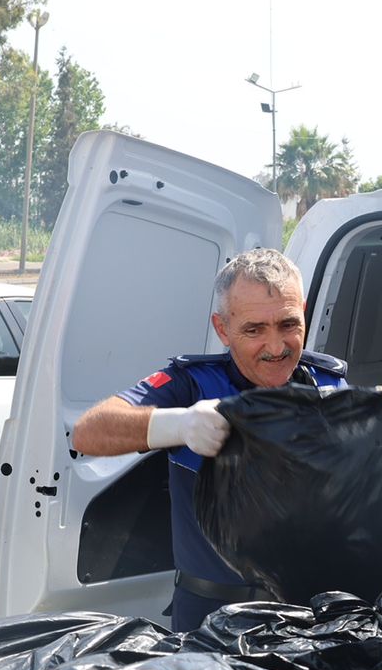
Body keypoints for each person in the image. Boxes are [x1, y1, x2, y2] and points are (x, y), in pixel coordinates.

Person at [71, 248, 345, 631]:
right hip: (213, 618)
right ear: (222, 328)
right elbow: (89, 432)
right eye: (254, 329)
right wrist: (178, 424)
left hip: (307, 615)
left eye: (288, 324)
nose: (276, 346)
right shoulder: (192, 385)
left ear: (303, 310)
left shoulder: (329, 383)